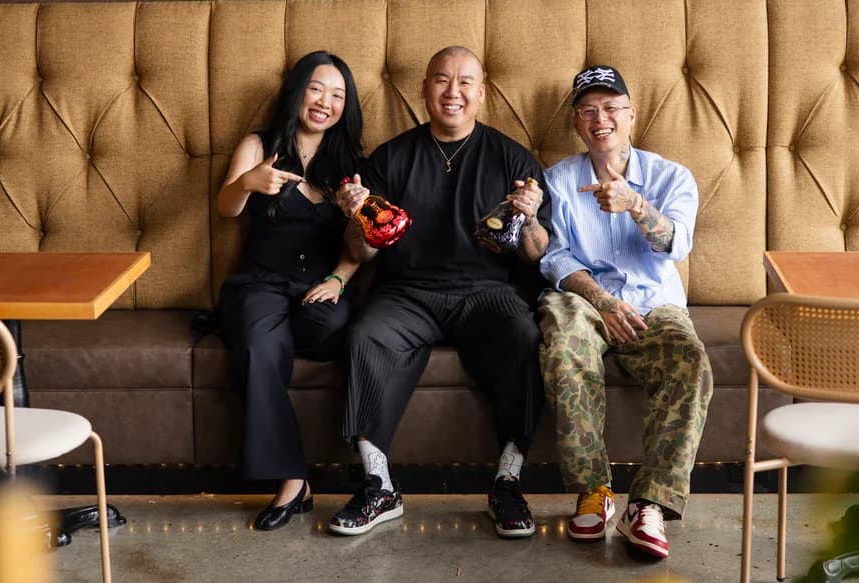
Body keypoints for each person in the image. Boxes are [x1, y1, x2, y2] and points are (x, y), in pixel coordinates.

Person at [328, 46, 551, 538]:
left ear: (482, 93)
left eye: (465, 82)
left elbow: (535, 255)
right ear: (425, 88)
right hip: (408, 292)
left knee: (523, 334)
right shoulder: (391, 157)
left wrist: (531, 218)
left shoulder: (512, 158)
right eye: (441, 80)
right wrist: (357, 216)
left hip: (486, 290)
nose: (453, 92)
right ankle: (378, 485)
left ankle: (508, 483)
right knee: (365, 335)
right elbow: (362, 253)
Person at [538, 65, 713, 558]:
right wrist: (601, 300)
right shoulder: (558, 180)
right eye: (589, 110)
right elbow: (554, 256)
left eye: (612, 108)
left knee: (690, 363)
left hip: (653, 302)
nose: (601, 119)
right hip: (585, 299)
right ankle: (593, 490)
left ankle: (649, 504)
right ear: (576, 122)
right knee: (563, 345)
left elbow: (676, 243)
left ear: (631, 115)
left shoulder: (670, 177)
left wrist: (636, 205)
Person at [215, 50, 364, 531]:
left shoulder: (350, 163)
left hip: (318, 288)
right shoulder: (259, 144)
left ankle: (255, 332)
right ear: (298, 91)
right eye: (316, 89)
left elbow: (361, 247)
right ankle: (292, 480)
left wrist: (338, 278)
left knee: (331, 328)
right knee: (260, 347)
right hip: (260, 283)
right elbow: (226, 207)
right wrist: (248, 182)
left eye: (337, 95)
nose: (325, 102)